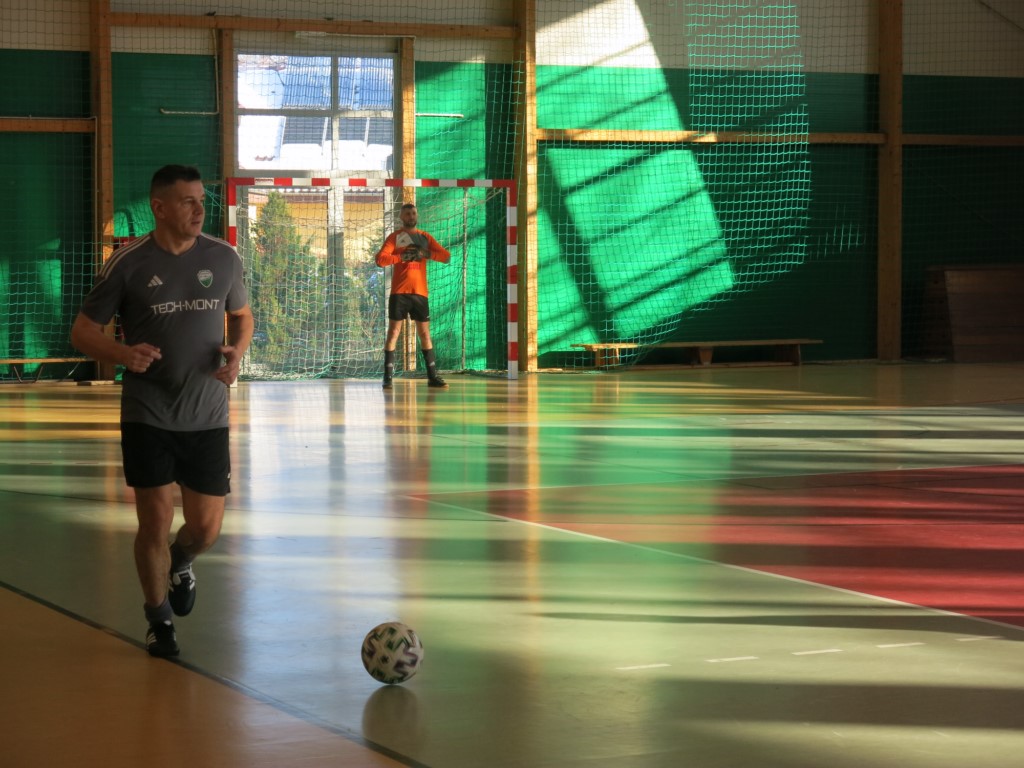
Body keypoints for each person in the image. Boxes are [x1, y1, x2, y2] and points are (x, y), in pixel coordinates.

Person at [70, 164, 254, 658]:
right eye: (188, 201)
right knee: (153, 521)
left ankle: (182, 560)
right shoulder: (127, 264)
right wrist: (122, 354)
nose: (199, 210)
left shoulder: (223, 257)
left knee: (206, 530)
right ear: (159, 208)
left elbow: (242, 317)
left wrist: (237, 353)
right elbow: (83, 331)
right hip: (147, 412)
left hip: (207, 413)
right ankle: (159, 620)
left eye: (201, 200)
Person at [375, 202, 451, 389]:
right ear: (401, 217)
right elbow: (380, 260)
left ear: (417, 216)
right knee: (393, 333)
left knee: (424, 334)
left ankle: (432, 377)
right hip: (399, 293)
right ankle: (387, 377)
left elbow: (446, 256)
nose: (411, 216)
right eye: (407, 213)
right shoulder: (395, 237)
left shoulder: (425, 237)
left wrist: (425, 253)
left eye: (414, 213)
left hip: (420, 294)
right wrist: (401, 257)